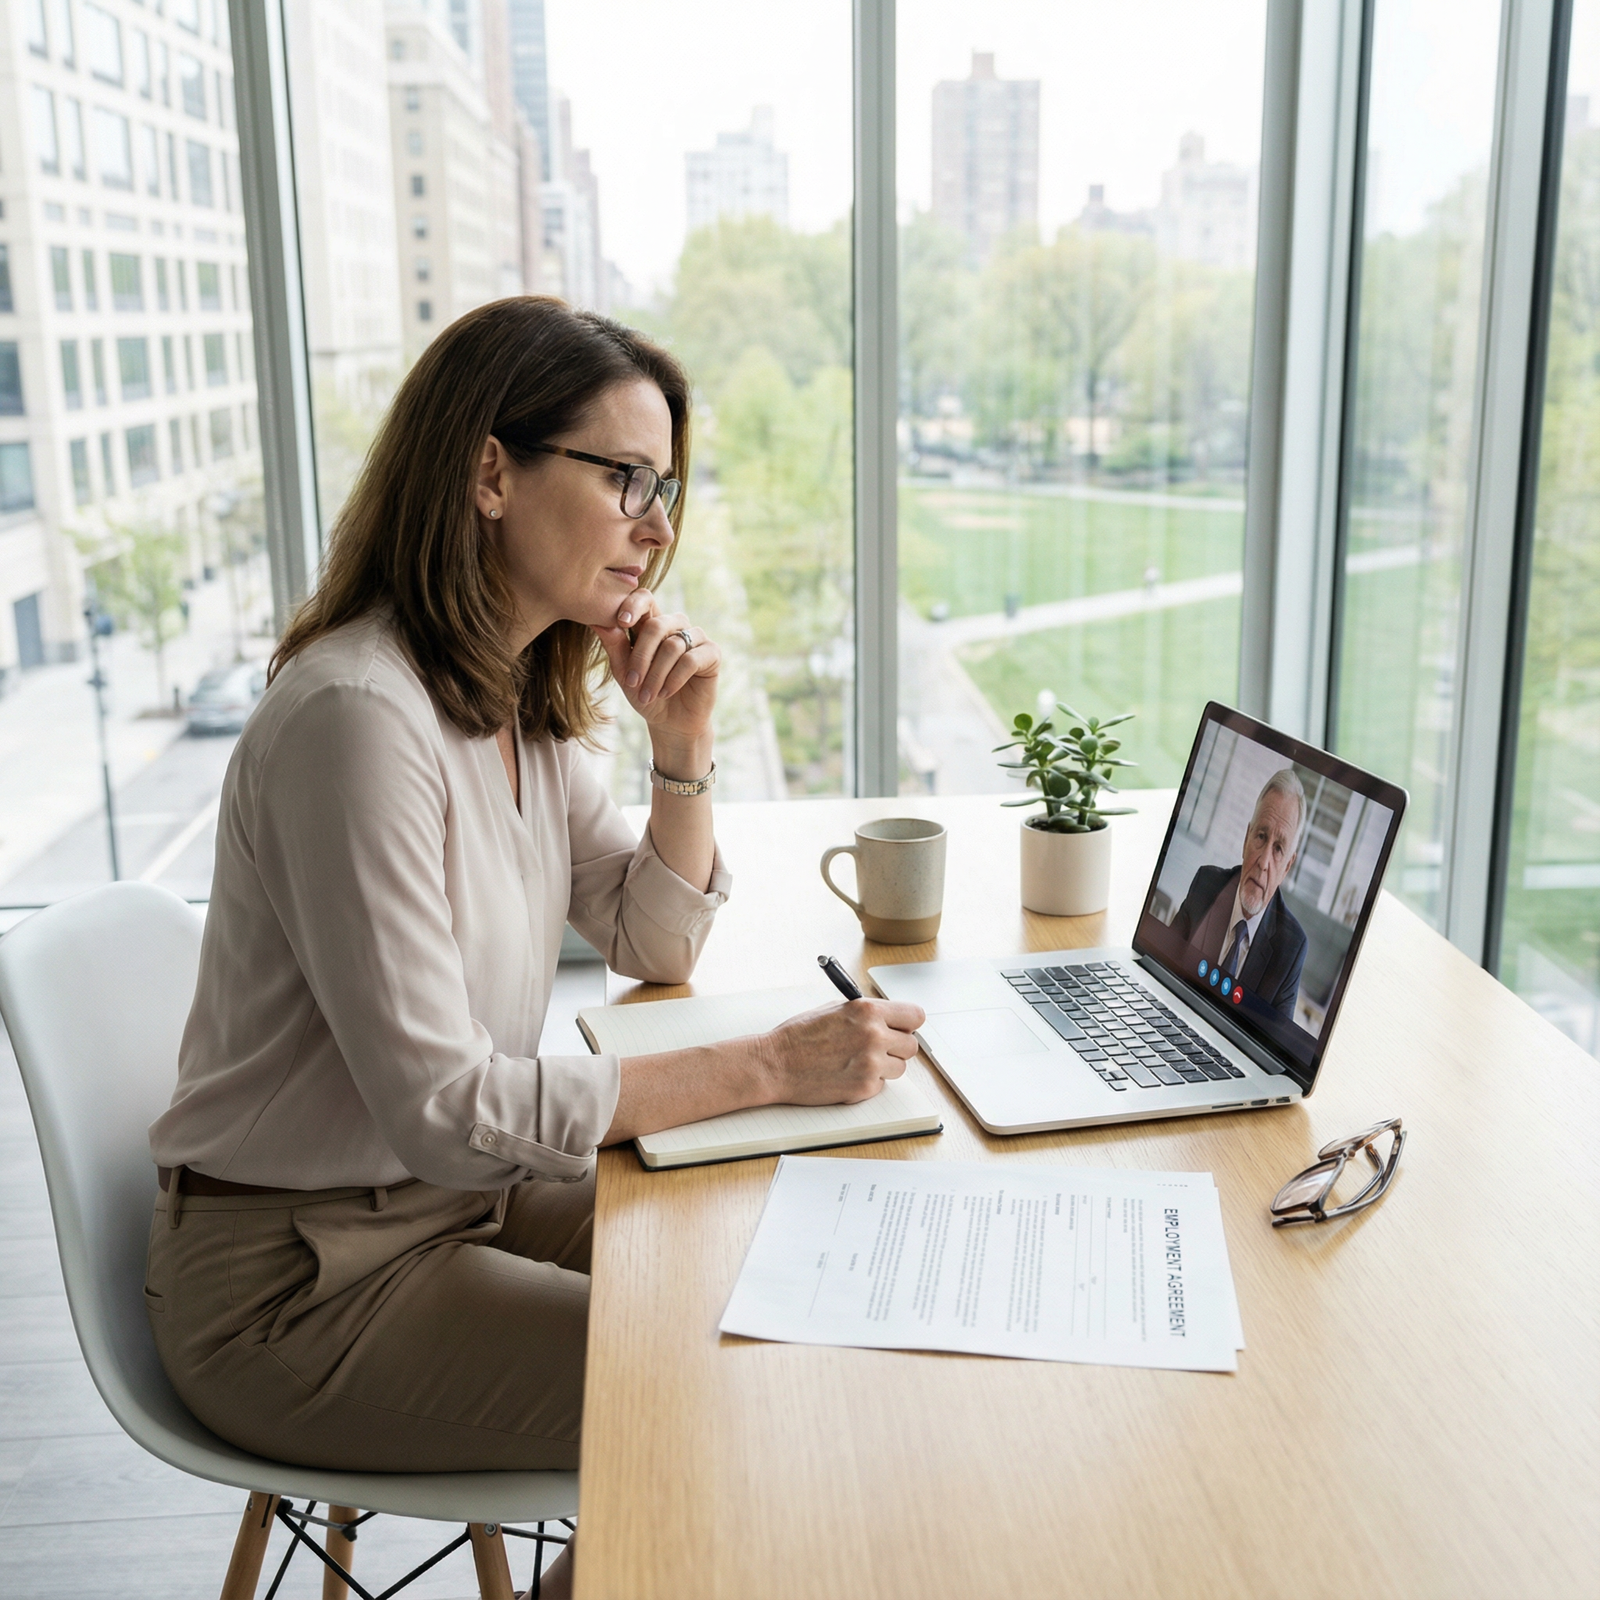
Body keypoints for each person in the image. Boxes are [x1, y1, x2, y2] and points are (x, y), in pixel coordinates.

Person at [143, 298, 924, 1600]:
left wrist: (679, 750)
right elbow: (452, 1107)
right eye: (623, 477)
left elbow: (650, 938)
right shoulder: (356, 718)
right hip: (299, 1284)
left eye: (665, 487)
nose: (658, 526)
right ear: (490, 471)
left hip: (447, 1205)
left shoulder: (510, 702)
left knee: (779, 1268)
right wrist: (769, 1064)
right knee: (744, 1396)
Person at [1171, 768, 1308, 1023]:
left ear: (1287, 867)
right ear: (1246, 839)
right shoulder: (1206, 884)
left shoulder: (1291, 948)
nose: (1264, 862)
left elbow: (1274, 1050)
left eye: (1278, 849)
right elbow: (1163, 964)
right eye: (1261, 836)